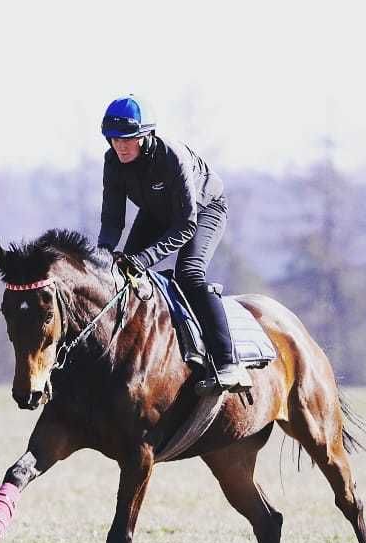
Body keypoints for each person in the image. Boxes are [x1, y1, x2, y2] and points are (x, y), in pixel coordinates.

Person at [97, 94, 251, 396]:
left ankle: (227, 361)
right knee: (119, 275)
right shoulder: (112, 161)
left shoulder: (171, 157)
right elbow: (112, 221)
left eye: (128, 138)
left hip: (203, 209)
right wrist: (101, 257)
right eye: (113, 139)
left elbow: (185, 225)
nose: (120, 146)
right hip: (157, 211)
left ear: (146, 135)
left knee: (189, 274)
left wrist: (143, 259)